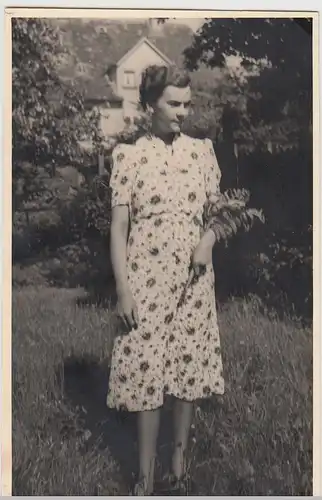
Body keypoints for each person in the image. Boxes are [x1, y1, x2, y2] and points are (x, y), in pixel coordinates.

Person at [106, 64, 224, 495]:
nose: (183, 113)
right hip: (145, 282)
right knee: (146, 374)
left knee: (186, 371)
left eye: (187, 104)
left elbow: (219, 213)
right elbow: (119, 229)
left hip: (193, 280)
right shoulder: (130, 156)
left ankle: (178, 465)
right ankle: (145, 477)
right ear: (150, 104)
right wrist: (123, 289)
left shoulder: (201, 152)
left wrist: (208, 240)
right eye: (173, 104)